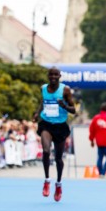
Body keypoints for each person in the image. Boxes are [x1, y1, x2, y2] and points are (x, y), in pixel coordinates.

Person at [33, 67, 76, 202]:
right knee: (46, 151)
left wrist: (64, 105)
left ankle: (58, 185)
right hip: (46, 123)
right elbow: (43, 102)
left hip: (60, 126)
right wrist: (37, 113)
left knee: (58, 158)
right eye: (50, 74)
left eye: (55, 75)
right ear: (48, 76)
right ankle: (46, 181)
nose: (53, 77)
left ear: (59, 76)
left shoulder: (65, 90)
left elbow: (74, 110)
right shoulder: (43, 88)